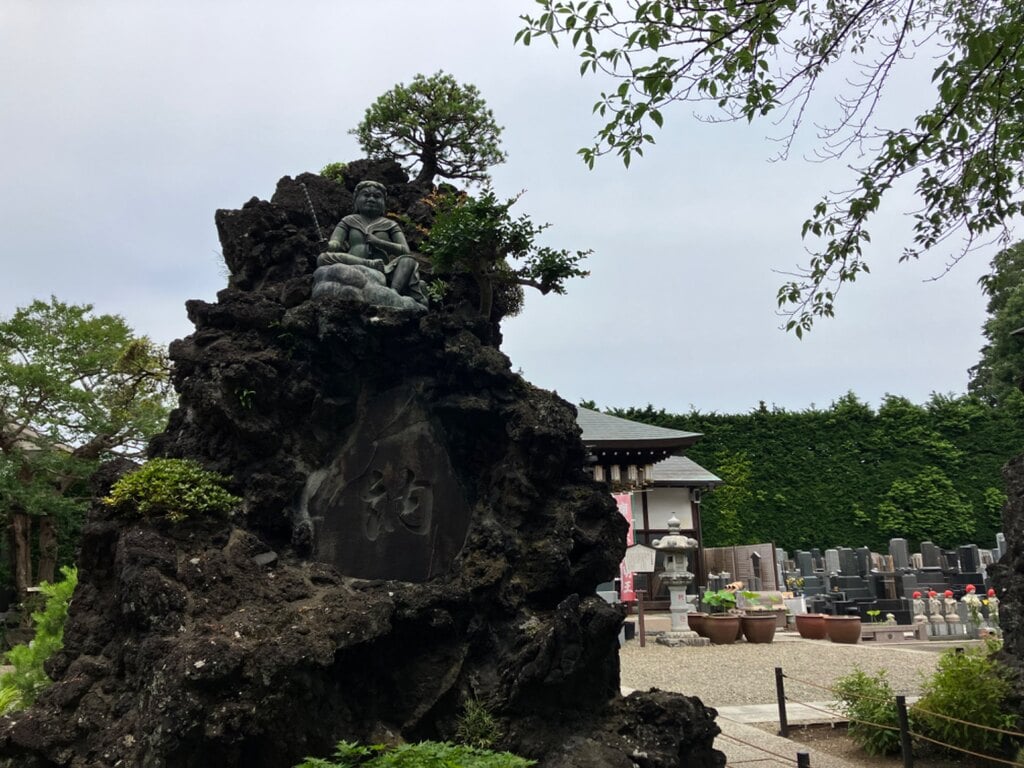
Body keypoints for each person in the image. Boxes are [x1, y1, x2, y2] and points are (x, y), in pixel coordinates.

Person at [316, 180, 425, 305]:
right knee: (323, 258)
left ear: (383, 203)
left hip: (384, 268)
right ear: (356, 200)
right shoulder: (348, 220)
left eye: (377, 196)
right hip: (353, 261)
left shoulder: (390, 224)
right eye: (366, 195)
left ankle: (394, 291)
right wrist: (328, 245)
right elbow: (336, 243)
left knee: (408, 260)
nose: (371, 199)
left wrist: (379, 242)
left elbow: (405, 250)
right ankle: (369, 263)